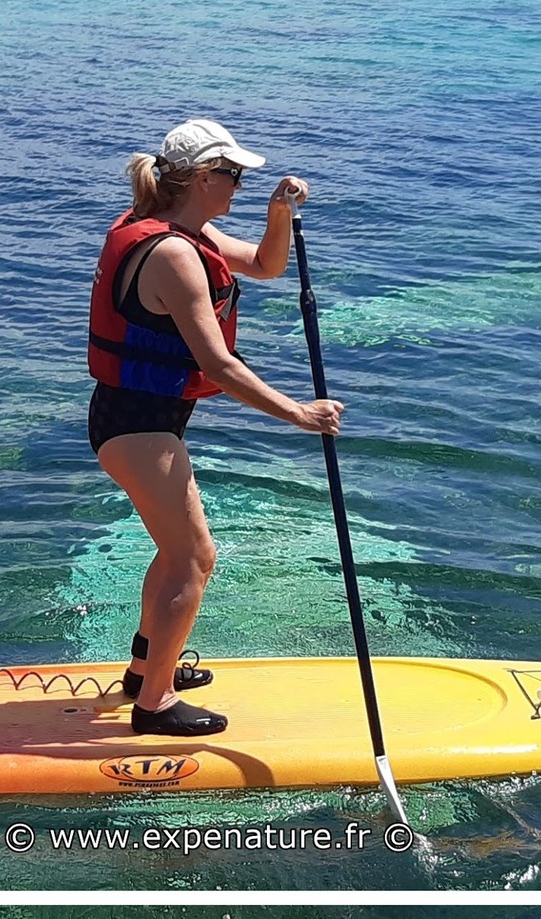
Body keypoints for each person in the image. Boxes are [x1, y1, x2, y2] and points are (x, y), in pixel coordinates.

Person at [87, 119, 344, 737]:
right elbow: (217, 364)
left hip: (143, 420)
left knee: (178, 554)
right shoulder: (173, 253)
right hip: (138, 424)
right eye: (233, 176)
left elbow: (264, 264)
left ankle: (146, 667)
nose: (238, 186)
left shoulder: (178, 231)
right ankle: (154, 704)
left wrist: (279, 212)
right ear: (204, 178)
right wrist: (298, 414)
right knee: (194, 558)